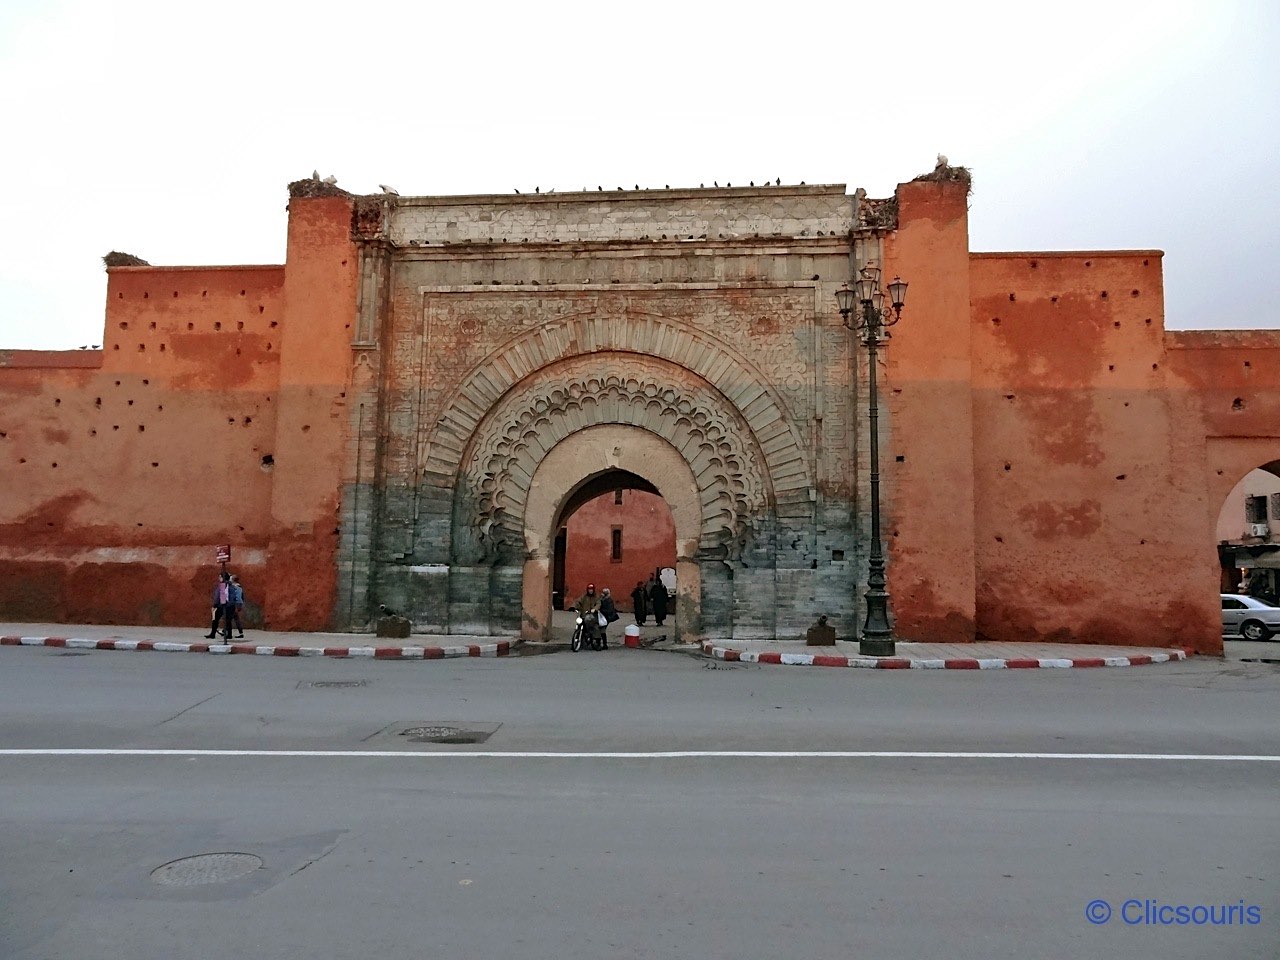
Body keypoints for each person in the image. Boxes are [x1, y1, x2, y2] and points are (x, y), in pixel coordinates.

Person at [206, 571, 232, 640]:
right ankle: (229, 634)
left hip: (221, 605)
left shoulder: (222, 585)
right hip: (230, 605)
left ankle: (213, 633)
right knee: (228, 620)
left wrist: (215, 604)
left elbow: (218, 596)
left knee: (215, 619)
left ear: (222, 577)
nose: (219, 578)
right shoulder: (231, 585)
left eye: (220, 577)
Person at [228, 574, 246, 639]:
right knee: (235, 618)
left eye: (231, 578)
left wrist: (236, 604)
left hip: (236, 604)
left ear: (233, 580)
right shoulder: (239, 586)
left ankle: (226, 631)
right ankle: (240, 632)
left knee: (231, 618)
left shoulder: (236, 587)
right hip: (239, 603)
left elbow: (237, 597)